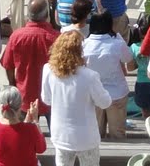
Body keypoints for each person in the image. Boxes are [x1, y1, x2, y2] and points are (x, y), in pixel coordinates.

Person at [40, 29, 113, 165]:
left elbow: (46, 99)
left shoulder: (48, 70)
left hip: (61, 135)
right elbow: (105, 102)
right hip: (86, 138)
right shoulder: (90, 76)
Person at [83, 10, 133, 141]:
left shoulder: (84, 44)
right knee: (118, 135)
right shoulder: (117, 43)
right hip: (117, 93)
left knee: (95, 136)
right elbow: (129, 60)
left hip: (93, 95)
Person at [0, 87, 44, 166]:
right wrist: (35, 120)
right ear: (20, 105)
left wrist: (27, 122)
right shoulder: (31, 128)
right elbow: (41, 149)